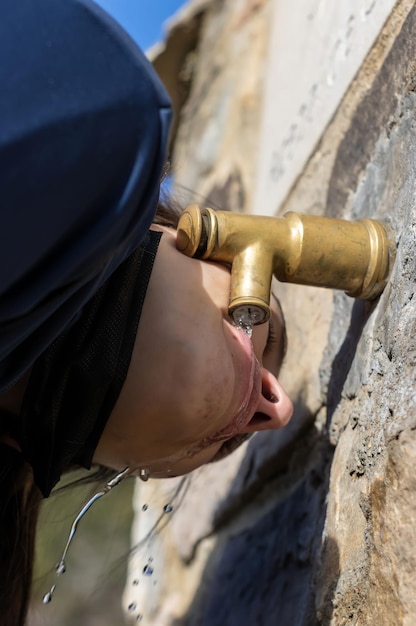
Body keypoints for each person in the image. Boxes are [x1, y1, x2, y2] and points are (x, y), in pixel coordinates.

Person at [0, 1, 293, 625]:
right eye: (254, 313)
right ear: (186, 234)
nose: (276, 409)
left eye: (219, 450)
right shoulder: (105, 113)